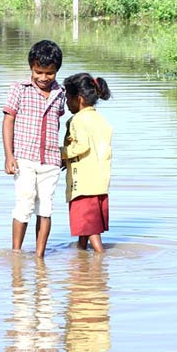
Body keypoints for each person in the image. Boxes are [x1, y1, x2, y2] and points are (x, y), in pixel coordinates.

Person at [3, 40, 66, 256]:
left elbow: (58, 123)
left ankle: (40, 257)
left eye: (49, 73)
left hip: (50, 161)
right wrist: (9, 156)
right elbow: (8, 121)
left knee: (46, 208)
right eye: (39, 72)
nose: (43, 78)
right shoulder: (19, 90)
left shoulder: (60, 93)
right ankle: (16, 253)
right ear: (31, 68)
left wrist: (62, 154)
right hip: (24, 158)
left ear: (56, 71)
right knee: (24, 204)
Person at [61, 73, 113, 252]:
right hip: (99, 184)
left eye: (68, 98)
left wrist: (60, 154)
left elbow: (81, 146)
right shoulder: (101, 120)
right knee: (86, 228)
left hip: (83, 185)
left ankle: (100, 259)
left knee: (91, 231)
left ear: (79, 99)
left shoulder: (77, 120)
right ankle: (81, 255)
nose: (66, 103)